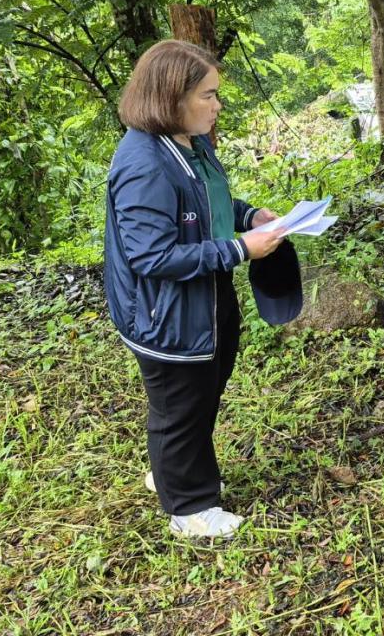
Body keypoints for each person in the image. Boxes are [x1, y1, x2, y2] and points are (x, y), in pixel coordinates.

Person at [104, 40, 291, 539]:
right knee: (179, 402)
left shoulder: (191, 142)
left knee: (201, 393)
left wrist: (248, 216)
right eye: (208, 96)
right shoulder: (144, 163)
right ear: (171, 97)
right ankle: (188, 506)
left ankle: (171, 471)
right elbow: (151, 256)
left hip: (205, 298)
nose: (217, 106)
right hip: (165, 312)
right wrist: (238, 249)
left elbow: (210, 198)